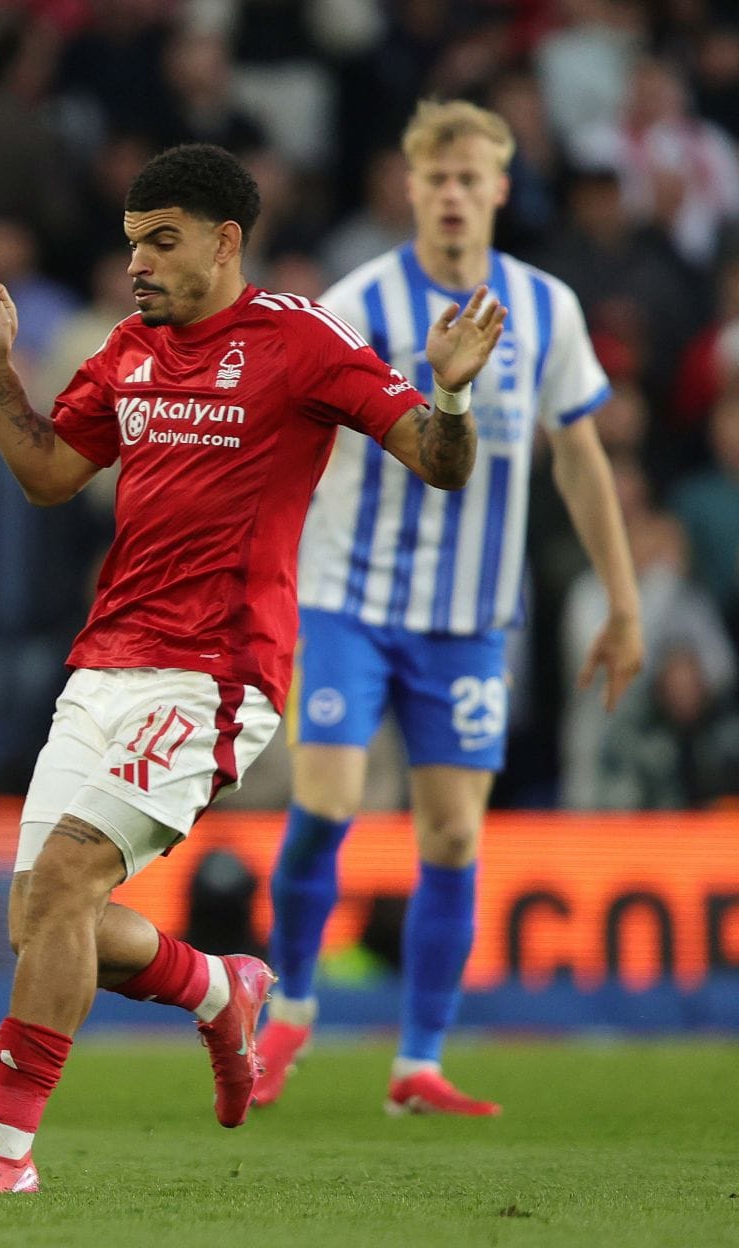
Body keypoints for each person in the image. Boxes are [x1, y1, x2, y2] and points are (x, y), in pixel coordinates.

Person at [0, 142, 503, 1196]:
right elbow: (49, 475)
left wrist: (451, 398)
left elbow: (436, 460)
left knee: (68, 880)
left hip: (214, 673)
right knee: (39, 919)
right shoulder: (128, 351)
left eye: (161, 241)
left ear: (226, 243)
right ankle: (217, 987)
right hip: (102, 666)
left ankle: (1, 1152)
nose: (136, 263)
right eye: (132, 242)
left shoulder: (302, 343)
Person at [258, 100, 643, 1118]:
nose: (454, 196)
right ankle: (291, 1002)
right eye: (437, 180)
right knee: (330, 802)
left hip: (471, 618)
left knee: (455, 841)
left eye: (472, 179)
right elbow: (293, 433)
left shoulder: (548, 310)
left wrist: (623, 598)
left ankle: (416, 1062)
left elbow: (581, 457)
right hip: (350, 598)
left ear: (501, 189)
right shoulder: (360, 302)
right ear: (411, 188)